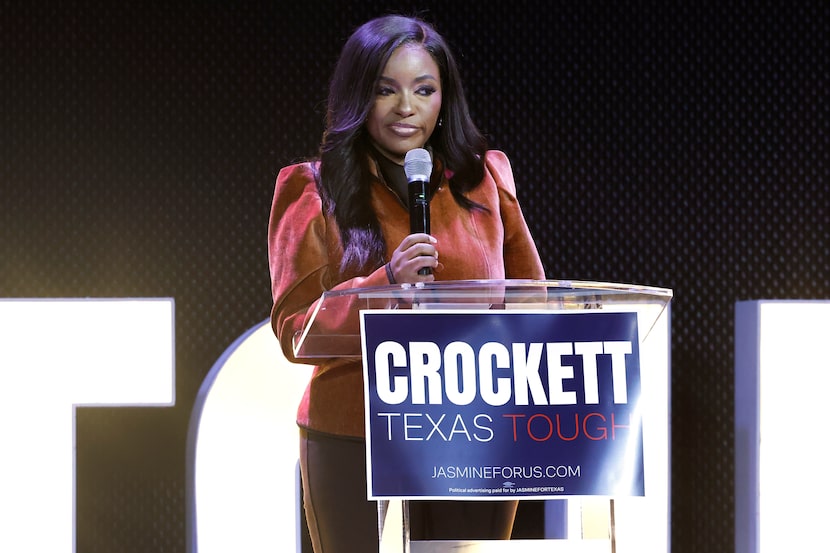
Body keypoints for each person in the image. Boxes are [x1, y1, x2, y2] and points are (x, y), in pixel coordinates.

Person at [268, 14, 545, 553]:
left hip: (472, 426)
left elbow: (532, 301)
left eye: (424, 90)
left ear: (445, 99)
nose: (407, 107)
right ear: (358, 96)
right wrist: (386, 283)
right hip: (354, 430)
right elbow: (295, 331)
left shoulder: (485, 180)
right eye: (385, 90)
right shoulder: (311, 189)